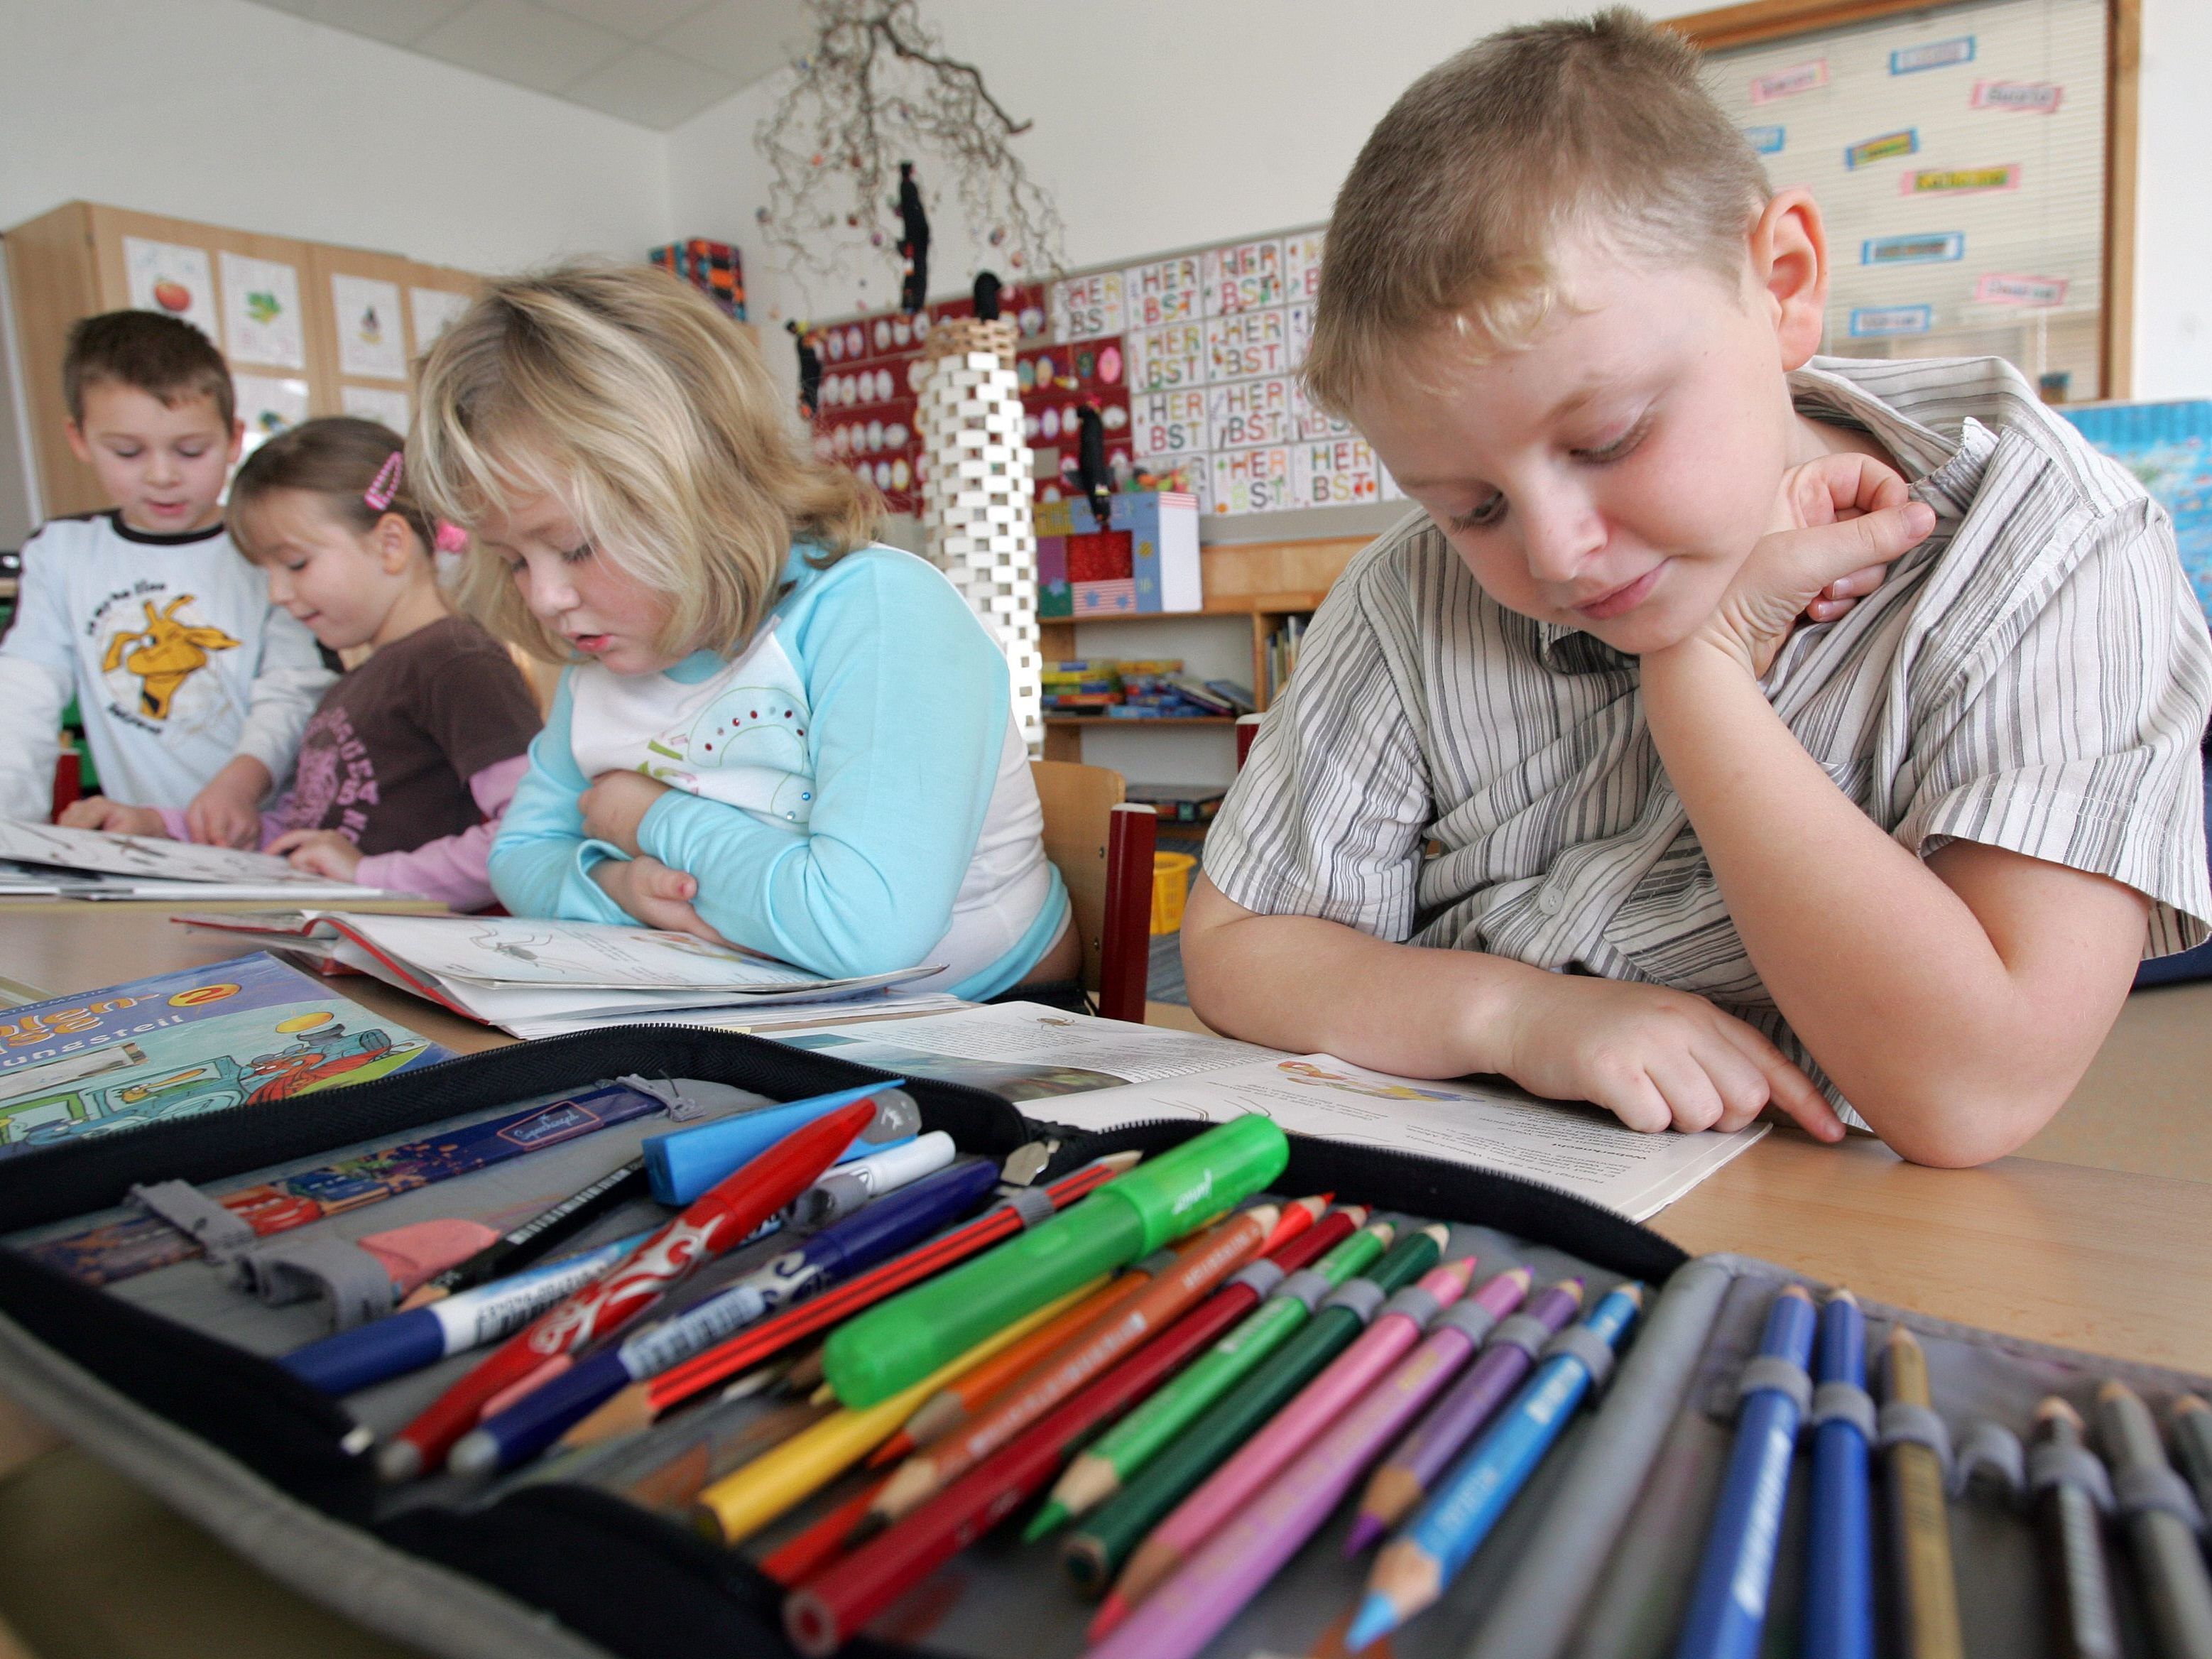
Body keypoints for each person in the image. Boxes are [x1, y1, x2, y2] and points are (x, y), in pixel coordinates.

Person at [1182, 10, 2212, 1168]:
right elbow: (1240, 943)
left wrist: (1702, 676)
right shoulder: (1411, 592)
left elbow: (1973, 1094)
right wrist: (1517, 1017)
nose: (1560, 553)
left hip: (1845, 1235)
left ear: (1783, 286)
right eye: (1472, 507)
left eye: (1612, 437)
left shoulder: (2058, 551)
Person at [410, 261, 1078, 1001]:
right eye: (510, 562)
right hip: (765, 1004)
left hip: (983, 1017)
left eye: (576, 547)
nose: (544, 598)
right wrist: (620, 885)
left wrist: (645, 815)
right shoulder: (600, 651)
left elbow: (864, 934)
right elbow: (520, 857)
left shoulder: (878, 610)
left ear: (706, 489)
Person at [66, 418, 541, 909]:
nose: (277, 595)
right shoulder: (350, 685)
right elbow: (309, 835)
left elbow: (529, 831)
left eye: (295, 565)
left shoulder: (456, 662)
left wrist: (367, 876)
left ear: (391, 544)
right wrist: (160, 827)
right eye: (266, 573)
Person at [0, 312, 330, 839]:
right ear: (80, 439)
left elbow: (292, 692)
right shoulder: (62, 553)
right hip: (143, 843)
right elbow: (21, 700)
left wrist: (241, 787)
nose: (162, 475)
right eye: (128, 452)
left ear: (231, 440)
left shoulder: (263, 545)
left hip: (269, 838)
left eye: (190, 450)